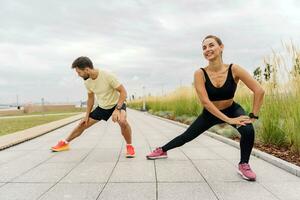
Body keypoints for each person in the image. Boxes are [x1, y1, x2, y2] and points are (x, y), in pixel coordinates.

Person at [146, 35, 265, 181]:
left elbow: (259, 90)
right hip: (210, 113)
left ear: (221, 47)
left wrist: (253, 116)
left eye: (211, 45)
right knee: (187, 137)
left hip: (231, 109)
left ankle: (244, 164)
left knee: (247, 129)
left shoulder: (234, 69)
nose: (207, 49)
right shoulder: (200, 73)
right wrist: (230, 120)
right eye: (204, 47)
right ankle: (162, 150)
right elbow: (206, 103)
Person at [51, 56, 135, 158]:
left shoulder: (107, 76)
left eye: (79, 72)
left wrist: (117, 110)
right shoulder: (87, 81)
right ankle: (65, 142)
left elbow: (123, 92)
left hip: (117, 104)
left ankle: (129, 146)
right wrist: (86, 115)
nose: (78, 75)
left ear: (86, 69)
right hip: (103, 107)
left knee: (123, 121)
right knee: (82, 124)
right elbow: (90, 99)